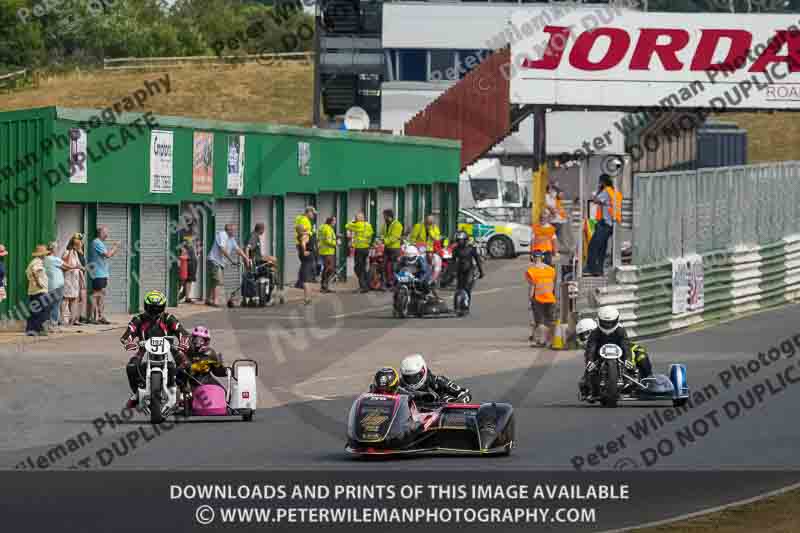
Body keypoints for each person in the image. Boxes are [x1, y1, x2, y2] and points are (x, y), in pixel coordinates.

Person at [120, 290, 190, 408]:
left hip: (169, 348)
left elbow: (183, 333)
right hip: (144, 349)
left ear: (163, 307)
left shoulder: (169, 318)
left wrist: (183, 343)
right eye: (152, 308)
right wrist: (129, 342)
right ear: (146, 306)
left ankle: (184, 391)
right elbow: (127, 334)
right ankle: (137, 393)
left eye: (158, 308)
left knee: (186, 363)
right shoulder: (138, 319)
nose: (154, 311)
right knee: (131, 367)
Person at [580, 305, 632, 401]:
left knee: (631, 366)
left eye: (610, 323)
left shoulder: (621, 331)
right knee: (589, 372)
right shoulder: (595, 332)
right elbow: (591, 347)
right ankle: (590, 388)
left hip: (618, 356)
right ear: (599, 321)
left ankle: (628, 381)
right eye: (605, 323)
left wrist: (628, 358)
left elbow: (625, 345)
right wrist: (590, 361)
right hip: (599, 357)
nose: (608, 326)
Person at [206, 224, 251, 307]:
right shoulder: (222, 235)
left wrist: (246, 258)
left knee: (214, 281)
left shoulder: (231, 239)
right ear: (229, 230)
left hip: (220, 262)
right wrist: (232, 260)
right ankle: (214, 301)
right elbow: (222, 249)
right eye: (233, 230)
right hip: (214, 261)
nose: (235, 232)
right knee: (217, 280)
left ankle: (208, 299)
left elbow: (238, 249)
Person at [585, 174, 621, 276]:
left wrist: (594, 195)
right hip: (612, 224)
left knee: (593, 246)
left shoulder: (606, 191)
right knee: (602, 248)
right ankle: (599, 270)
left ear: (602, 182)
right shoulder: (615, 192)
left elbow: (596, 200)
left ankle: (591, 268)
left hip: (605, 223)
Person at [398, 354, 472, 402]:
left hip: (435, 421)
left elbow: (466, 393)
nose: (412, 381)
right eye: (408, 377)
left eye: (415, 377)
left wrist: (457, 402)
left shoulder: (438, 381)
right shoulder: (399, 385)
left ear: (424, 370)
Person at [87, 226, 120, 325]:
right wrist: (115, 246)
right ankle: (92, 317)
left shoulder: (100, 243)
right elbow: (108, 255)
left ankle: (100, 316)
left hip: (102, 272)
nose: (107, 235)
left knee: (102, 294)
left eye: (107, 232)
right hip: (98, 273)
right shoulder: (96, 242)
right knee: (96, 294)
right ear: (100, 233)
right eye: (105, 233)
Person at [526, 250, 557, 347]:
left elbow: (532, 287)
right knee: (550, 321)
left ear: (532, 258)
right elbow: (553, 284)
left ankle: (542, 341)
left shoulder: (531, 271)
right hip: (550, 297)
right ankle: (552, 342)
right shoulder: (551, 270)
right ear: (542, 257)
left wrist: (530, 300)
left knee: (540, 321)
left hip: (538, 298)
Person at [44, 241, 75, 331]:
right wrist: (70, 253)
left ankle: (48, 324)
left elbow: (63, 267)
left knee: (49, 305)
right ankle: (53, 325)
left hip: (49, 286)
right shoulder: (55, 259)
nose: (57, 250)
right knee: (56, 306)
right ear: (53, 249)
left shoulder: (45, 259)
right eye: (57, 248)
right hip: (57, 286)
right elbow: (69, 266)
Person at [452, 230, 484, 303]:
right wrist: (452, 272)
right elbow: (452, 261)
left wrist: (481, 271)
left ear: (465, 240)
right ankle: (456, 304)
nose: (460, 242)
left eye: (462, 240)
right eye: (459, 240)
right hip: (460, 269)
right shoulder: (455, 249)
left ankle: (466, 304)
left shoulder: (471, 248)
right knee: (459, 288)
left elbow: (477, 260)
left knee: (467, 287)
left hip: (469, 270)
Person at [345, 212, 374, 293]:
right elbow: (371, 234)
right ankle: (366, 285)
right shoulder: (368, 225)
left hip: (359, 249)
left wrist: (353, 221)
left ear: (358, 218)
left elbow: (347, 225)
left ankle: (363, 286)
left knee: (358, 268)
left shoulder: (357, 224)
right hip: (366, 249)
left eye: (356, 218)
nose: (356, 219)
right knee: (363, 267)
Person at [25, 245, 50, 336]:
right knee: (43, 310)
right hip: (40, 290)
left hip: (33, 290)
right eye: (45, 254)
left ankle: (31, 330)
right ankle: (39, 329)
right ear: (42, 254)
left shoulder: (33, 262)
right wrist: (39, 284)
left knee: (34, 310)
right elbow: (35, 272)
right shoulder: (38, 262)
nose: (46, 255)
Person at [61, 235, 85, 326]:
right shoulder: (67, 252)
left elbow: (79, 265)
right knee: (66, 298)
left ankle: (73, 319)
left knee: (74, 299)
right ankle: (63, 319)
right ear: (73, 245)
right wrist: (71, 251)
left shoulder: (75, 253)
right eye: (78, 245)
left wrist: (82, 269)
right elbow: (64, 264)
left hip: (75, 279)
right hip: (68, 279)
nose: (79, 247)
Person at [177, 213, 198, 304]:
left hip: (193, 257)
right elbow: (175, 244)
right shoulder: (179, 232)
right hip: (183, 258)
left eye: (191, 222)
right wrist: (181, 250)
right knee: (181, 278)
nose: (190, 224)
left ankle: (187, 297)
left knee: (191, 277)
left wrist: (197, 251)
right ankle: (176, 296)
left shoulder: (194, 232)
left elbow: (197, 243)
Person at [294, 206, 317, 288]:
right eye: (313, 213)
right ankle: (302, 282)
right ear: (309, 212)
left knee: (304, 264)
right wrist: (305, 248)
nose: (314, 215)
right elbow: (303, 234)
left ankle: (300, 282)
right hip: (305, 246)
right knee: (306, 264)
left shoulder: (299, 218)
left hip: (301, 244)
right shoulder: (304, 220)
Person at [381, 209, 403, 289]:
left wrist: (385, 240)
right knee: (383, 266)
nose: (383, 217)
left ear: (388, 216)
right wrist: (381, 239)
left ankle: (395, 284)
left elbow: (395, 237)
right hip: (387, 248)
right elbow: (382, 234)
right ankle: (385, 283)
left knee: (394, 267)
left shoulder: (397, 225)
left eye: (384, 216)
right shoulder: (385, 224)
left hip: (395, 248)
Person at [318, 216, 337, 293]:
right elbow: (328, 240)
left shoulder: (322, 227)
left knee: (327, 268)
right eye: (334, 221)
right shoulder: (328, 229)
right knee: (330, 269)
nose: (335, 222)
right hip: (328, 251)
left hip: (323, 251)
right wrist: (336, 243)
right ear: (331, 221)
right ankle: (324, 286)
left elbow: (321, 238)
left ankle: (324, 286)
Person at [297, 226, 315, 305]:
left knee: (305, 280)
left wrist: (304, 251)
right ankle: (308, 298)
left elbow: (303, 244)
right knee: (305, 279)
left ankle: (307, 299)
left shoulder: (303, 236)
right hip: (308, 260)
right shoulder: (308, 235)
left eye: (297, 230)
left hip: (306, 261)